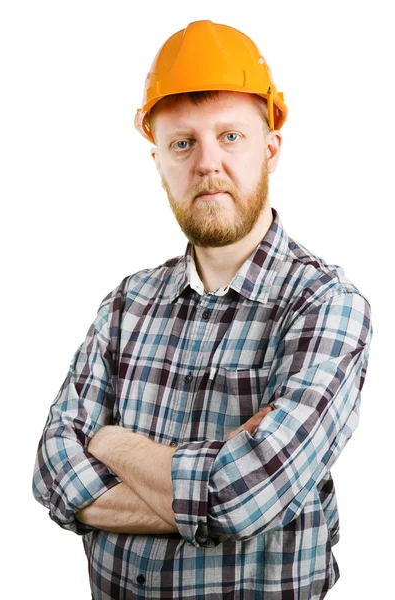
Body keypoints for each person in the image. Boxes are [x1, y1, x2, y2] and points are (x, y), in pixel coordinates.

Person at [32, 19, 373, 600]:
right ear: (159, 160)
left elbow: (243, 497)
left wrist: (111, 444)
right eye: (182, 142)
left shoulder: (327, 307)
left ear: (271, 149)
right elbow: (53, 474)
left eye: (231, 137)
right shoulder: (125, 305)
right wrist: (214, 482)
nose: (207, 163)